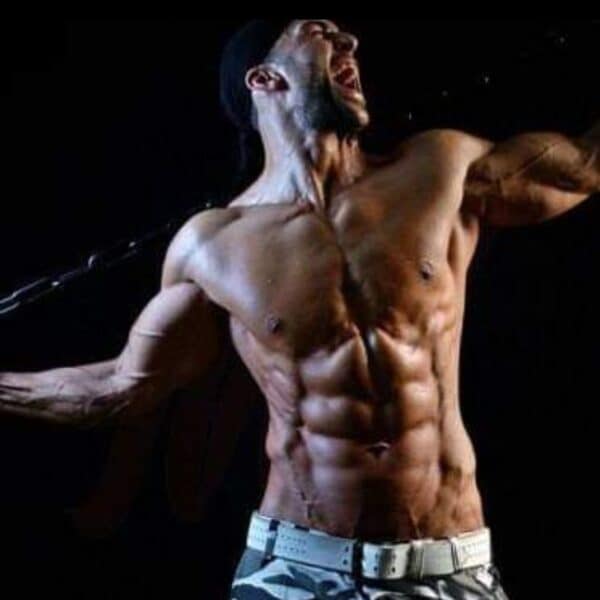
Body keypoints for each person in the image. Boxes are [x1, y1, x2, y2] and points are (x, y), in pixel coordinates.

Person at [1, 18, 598, 599]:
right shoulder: (213, 246)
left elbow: (583, 169)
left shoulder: (440, 169)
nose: (349, 41)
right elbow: (122, 386)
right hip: (299, 570)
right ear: (264, 78)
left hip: (448, 563)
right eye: (319, 33)